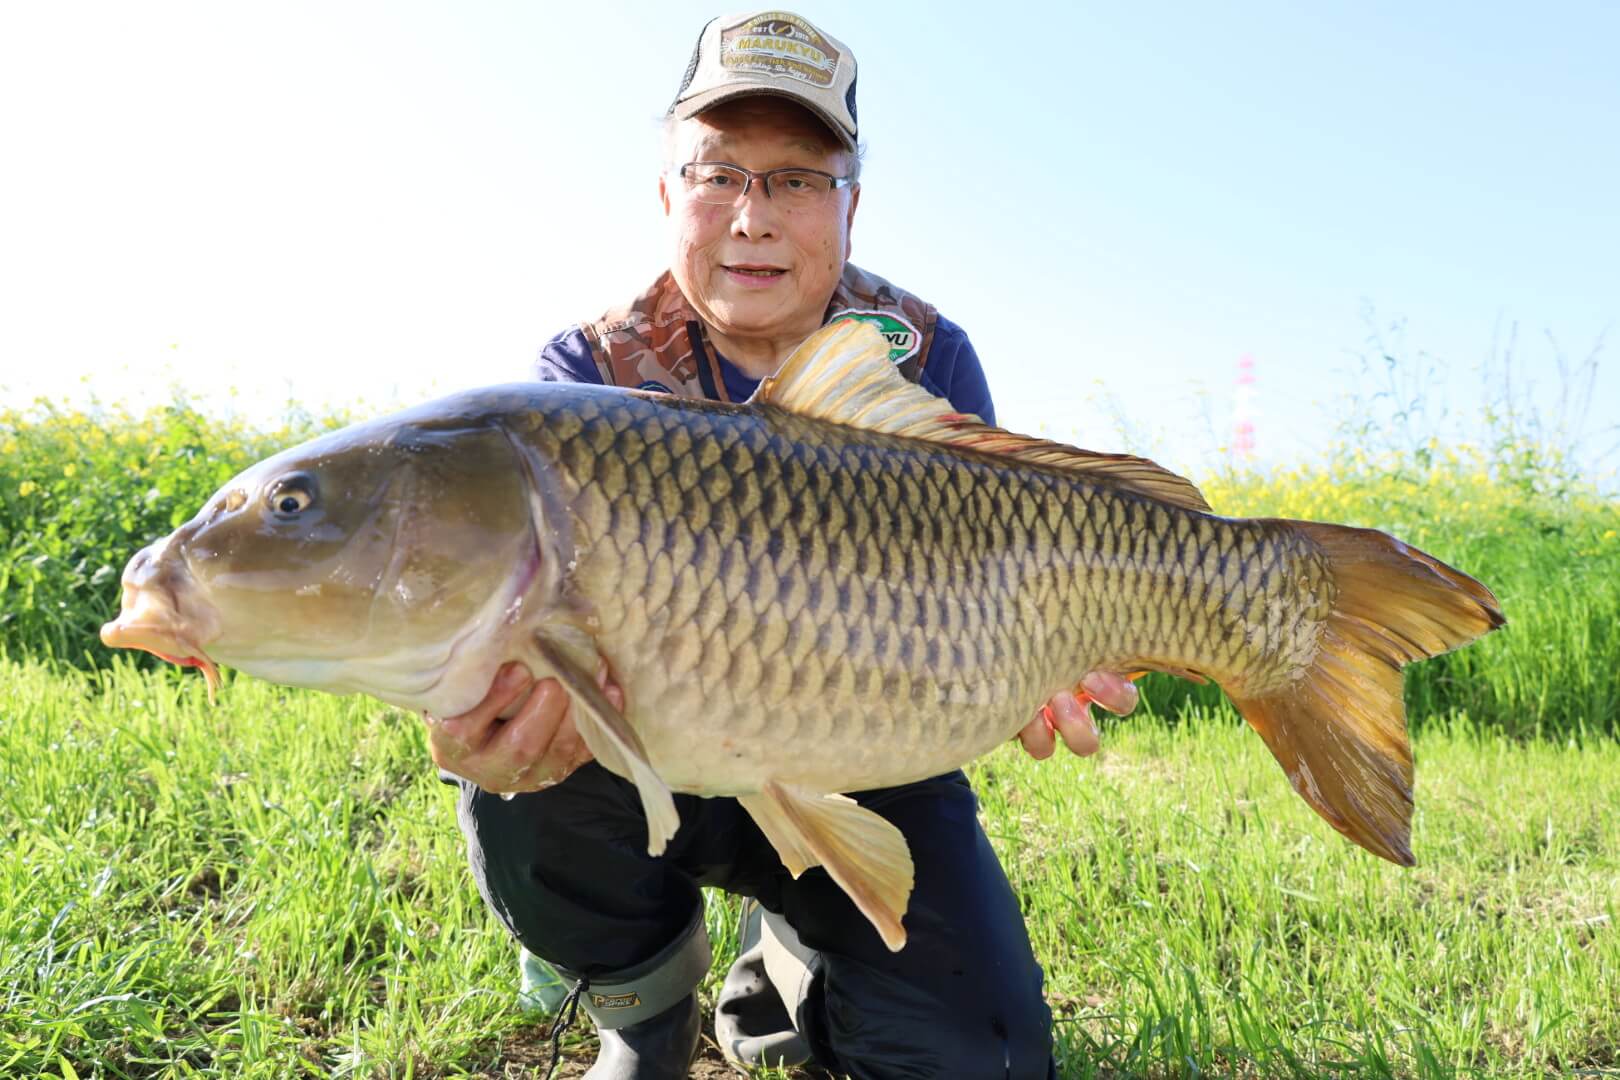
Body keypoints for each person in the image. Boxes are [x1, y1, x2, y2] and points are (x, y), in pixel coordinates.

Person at [426, 11, 1138, 1078]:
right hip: (648, 753)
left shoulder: (926, 352)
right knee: (522, 734)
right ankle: (644, 1009)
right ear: (669, 195)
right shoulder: (589, 367)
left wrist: (1040, 653)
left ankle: (796, 954)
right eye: (718, 176)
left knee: (979, 1058)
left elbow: (1009, 557)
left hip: (868, 753)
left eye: (797, 180)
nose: (753, 217)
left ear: (851, 206)